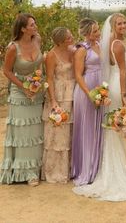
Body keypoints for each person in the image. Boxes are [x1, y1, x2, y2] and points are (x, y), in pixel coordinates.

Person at [72, 13, 126, 201]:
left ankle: (119, 165)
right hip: (120, 86)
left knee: (116, 127)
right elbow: (121, 70)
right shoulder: (117, 44)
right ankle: (121, 169)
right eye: (119, 23)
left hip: (115, 84)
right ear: (112, 25)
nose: (123, 25)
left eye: (125, 22)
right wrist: (125, 95)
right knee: (120, 127)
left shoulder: (110, 41)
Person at [0, 13, 44, 186]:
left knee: (36, 132)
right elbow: (7, 71)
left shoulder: (37, 40)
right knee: (23, 133)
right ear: (23, 29)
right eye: (32, 24)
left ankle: (36, 170)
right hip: (20, 93)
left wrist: (38, 82)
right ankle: (24, 172)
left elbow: (39, 64)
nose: (35, 26)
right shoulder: (13, 48)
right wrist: (24, 87)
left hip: (37, 91)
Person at [71, 18, 104, 185]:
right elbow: (77, 75)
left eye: (98, 30)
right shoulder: (81, 49)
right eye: (95, 31)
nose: (98, 33)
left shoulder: (101, 46)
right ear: (86, 33)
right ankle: (85, 168)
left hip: (101, 89)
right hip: (86, 90)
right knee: (87, 129)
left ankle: (98, 167)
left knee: (99, 127)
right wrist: (90, 93)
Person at [41, 27, 75, 183]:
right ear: (61, 41)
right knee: (58, 134)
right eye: (69, 37)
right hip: (59, 96)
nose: (72, 38)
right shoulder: (51, 55)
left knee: (70, 132)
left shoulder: (72, 51)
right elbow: (49, 79)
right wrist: (53, 101)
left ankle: (71, 169)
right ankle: (56, 171)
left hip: (73, 94)